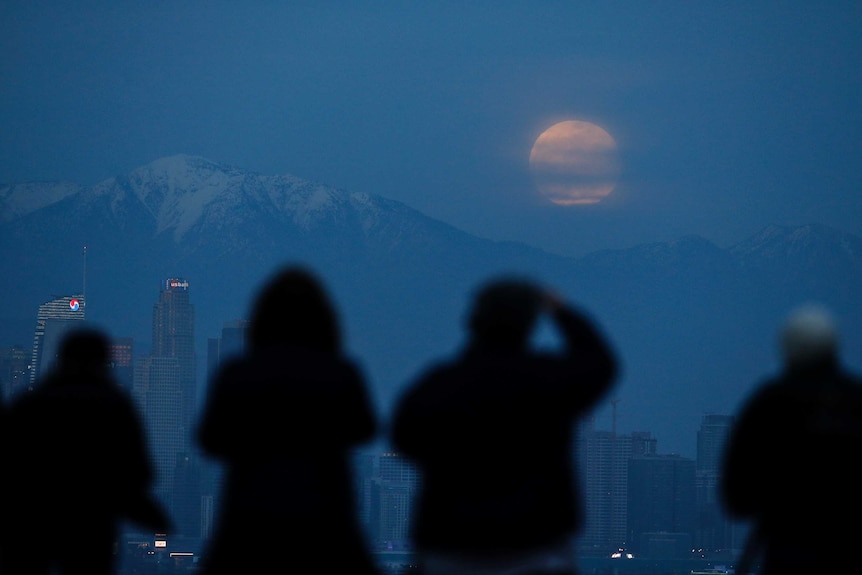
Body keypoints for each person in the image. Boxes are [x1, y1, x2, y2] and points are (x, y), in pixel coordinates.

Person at [391, 275, 619, 575]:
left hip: (451, 546)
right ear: (528, 324)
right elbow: (600, 362)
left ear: (472, 321)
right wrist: (561, 311)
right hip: (536, 545)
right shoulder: (547, 381)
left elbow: (403, 437)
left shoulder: (440, 385)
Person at [196, 265, 380, 575]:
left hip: (249, 520)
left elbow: (211, 439)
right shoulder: (340, 372)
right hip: (326, 519)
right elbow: (364, 430)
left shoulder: (238, 373)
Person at [1, 327, 171, 575]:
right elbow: (138, 472)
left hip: (31, 523)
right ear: (103, 362)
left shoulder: (30, 404)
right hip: (92, 525)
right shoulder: (115, 406)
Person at [720, 303, 862, 575]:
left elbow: (736, 498)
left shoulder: (770, 402)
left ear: (786, 348)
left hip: (788, 549)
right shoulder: (856, 400)